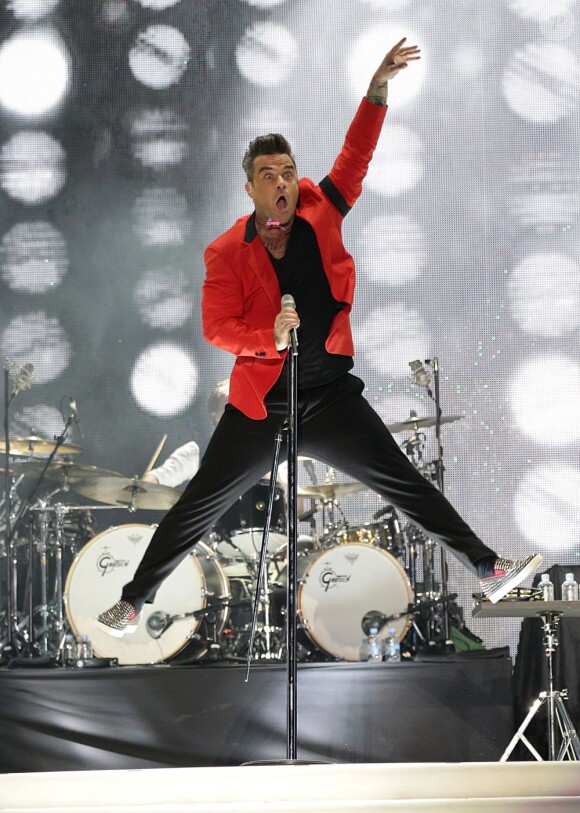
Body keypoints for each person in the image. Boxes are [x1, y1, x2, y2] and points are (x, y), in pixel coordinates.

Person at [96, 38, 542, 637]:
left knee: (405, 484)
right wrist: (269, 337)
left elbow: (356, 155)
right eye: (266, 175)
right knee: (198, 503)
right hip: (262, 405)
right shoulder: (226, 252)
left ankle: (488, 569)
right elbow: (216, 327)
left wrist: (376, 88)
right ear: (249, 188)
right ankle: (132, 600)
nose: (280, 182)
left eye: (286, 172)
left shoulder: (320, 208)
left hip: (329, 397)